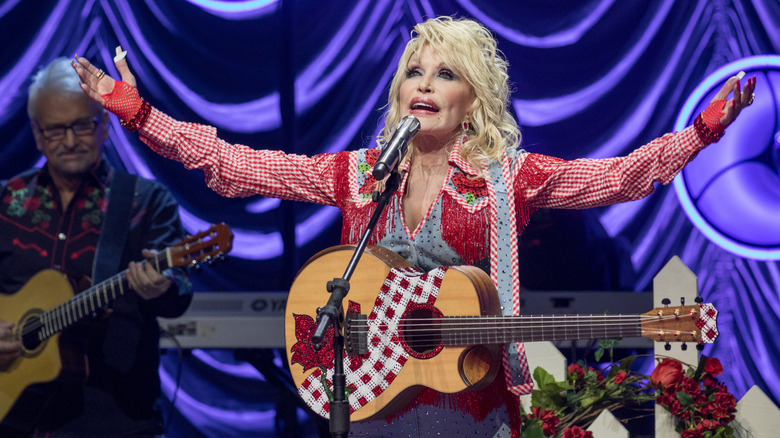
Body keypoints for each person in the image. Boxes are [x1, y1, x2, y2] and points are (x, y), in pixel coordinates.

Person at [71, 16, 755, 438]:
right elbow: (243, 167)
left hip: (472, 402)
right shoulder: (365, 172)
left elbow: (618, 178)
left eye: (446, 73)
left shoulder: (508, 177)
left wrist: (698, 135)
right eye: (413, 72)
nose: (423, 84)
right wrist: (140, 117)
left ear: (472, 103)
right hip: (369, 396)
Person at [0, 57, 193, 437]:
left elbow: (178, 294)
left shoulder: (145, 201)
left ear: (105, 125)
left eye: (82, 126)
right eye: (56, 130)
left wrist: (163, 286)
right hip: (14, 417)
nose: (70, 141)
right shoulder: (6, 202)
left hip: (114, 417)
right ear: (37, 134)